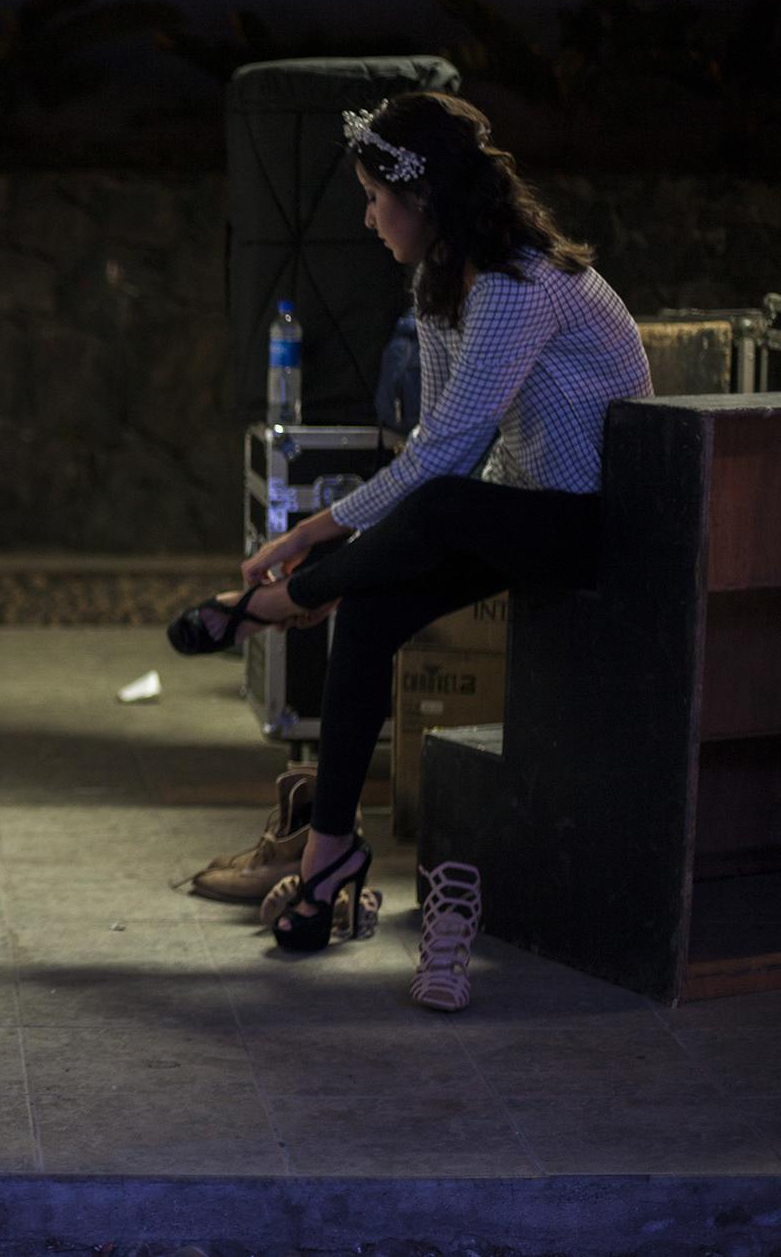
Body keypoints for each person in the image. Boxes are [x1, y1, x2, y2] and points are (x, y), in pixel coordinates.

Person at [166, 91, 652, 951]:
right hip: (513, 508)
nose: (365, 217)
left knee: (437, 503)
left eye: (374, 197)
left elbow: (445, 460)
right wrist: (344, 551)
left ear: (421, 200)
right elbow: (442, 443)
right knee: (372, 614)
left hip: (590, 524)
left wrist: (310, 540)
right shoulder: (440, 282)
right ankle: (326, 860)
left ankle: (278, 603)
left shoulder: (518, 283)